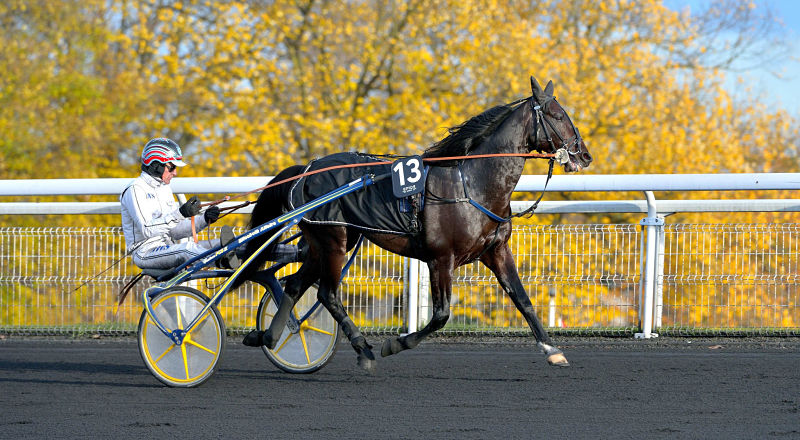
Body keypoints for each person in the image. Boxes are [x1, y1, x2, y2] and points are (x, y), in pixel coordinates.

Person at [120, 138, 240, 270]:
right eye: (171, 167)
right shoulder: (135, 189)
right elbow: (147, 230)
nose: (175, 173)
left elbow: (175, 231)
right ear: (156, 165)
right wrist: (180, 213)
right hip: (145, 252)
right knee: (187, 249)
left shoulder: (164, 188)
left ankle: (246, 255)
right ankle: (221, 263)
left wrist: (204, 219)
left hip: (167, 246)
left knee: (225, 243)